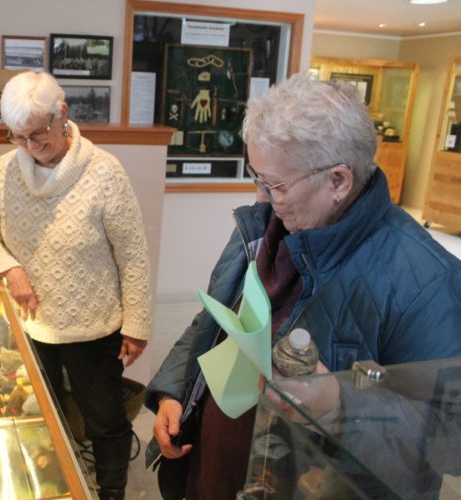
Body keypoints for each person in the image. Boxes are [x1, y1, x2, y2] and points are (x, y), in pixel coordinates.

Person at [144, 73, 461, 499]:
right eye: (258, 177)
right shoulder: (265, 224)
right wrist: (176, 390)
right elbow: (217, 318)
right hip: (215, 471)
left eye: (274, 184)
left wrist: (339, 404)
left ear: (338, 182)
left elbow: (449, 439)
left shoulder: (426, 279)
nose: (260, 196)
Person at [0, 71, 152, 500]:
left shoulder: (104, 172)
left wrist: (138, 324)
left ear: (62, 115)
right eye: (18, 138)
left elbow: (133, 254)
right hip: (30, 326)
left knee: (105, 419)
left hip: (91, 324)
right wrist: (12, 269)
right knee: (38, 415)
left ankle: (110, 492)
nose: (31, 148)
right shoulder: (5, 171)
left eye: (38, 134)